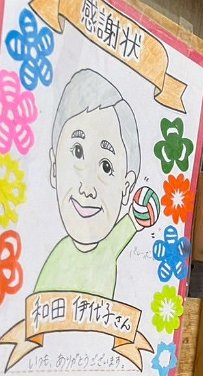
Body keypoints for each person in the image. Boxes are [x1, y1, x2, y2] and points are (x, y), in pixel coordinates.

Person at [36, 69, 156, 298]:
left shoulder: (107, 250)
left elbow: (130, 224)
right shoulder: (57, 261)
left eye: (106, 167)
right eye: (77, 151)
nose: (87, 188)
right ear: (54, 166)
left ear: (126, 187)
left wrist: (139, 215)